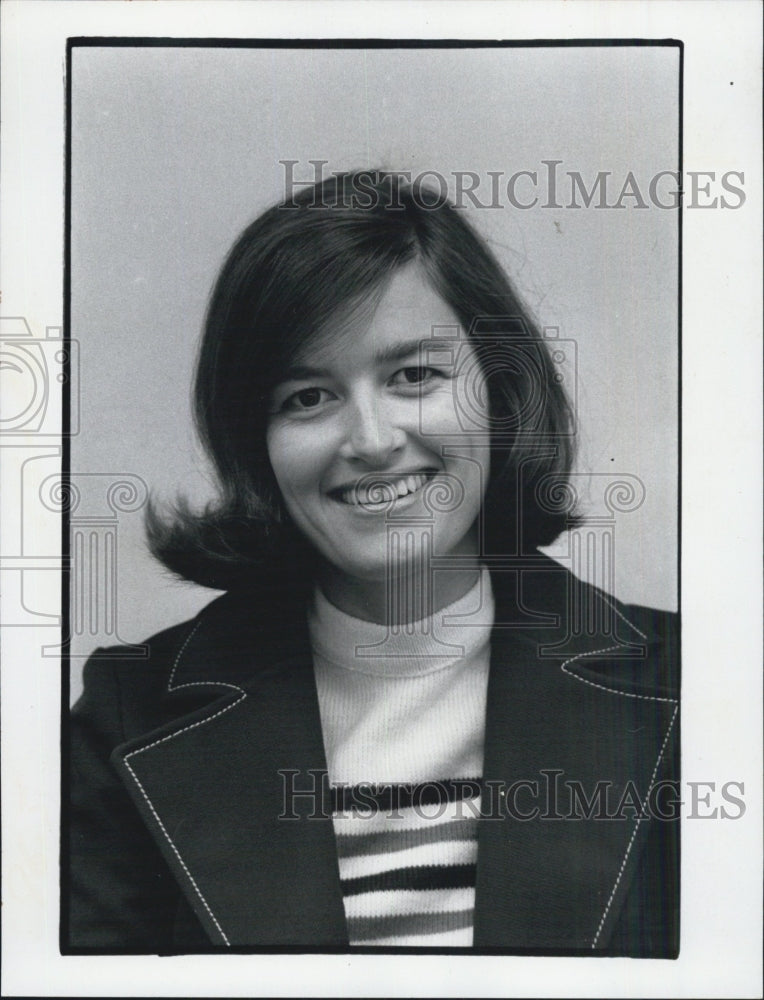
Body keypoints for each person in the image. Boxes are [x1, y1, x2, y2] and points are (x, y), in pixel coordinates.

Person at [67, 170, 679, 955]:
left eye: (415, 376)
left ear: (500, 388)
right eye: (307, 397)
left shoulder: (691, 686)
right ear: (255, 445)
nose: (371, 439)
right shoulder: (128, 719)